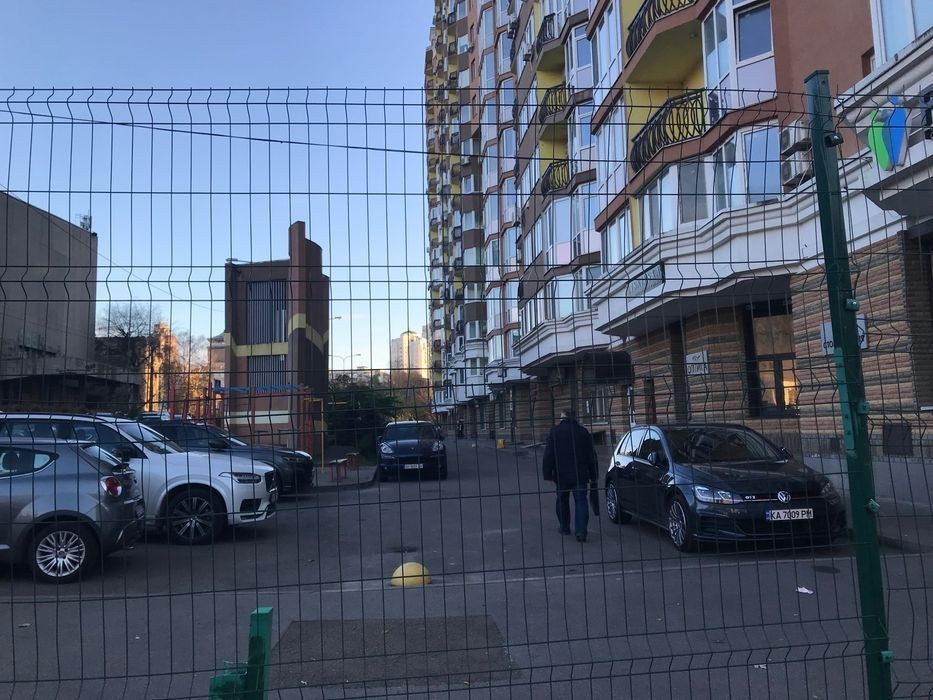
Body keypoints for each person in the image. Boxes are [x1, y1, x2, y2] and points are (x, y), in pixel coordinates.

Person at [542, 408, 598, 542]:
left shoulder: (555, 432)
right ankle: (581, 532)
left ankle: (564, 527)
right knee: (581, 501)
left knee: (562, 500)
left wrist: (547, 474)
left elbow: (548, 455)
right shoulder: (583, 432)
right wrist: (593, 475)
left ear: (563, 417)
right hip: (580, 474)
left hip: (561, 474)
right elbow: (591, 455)